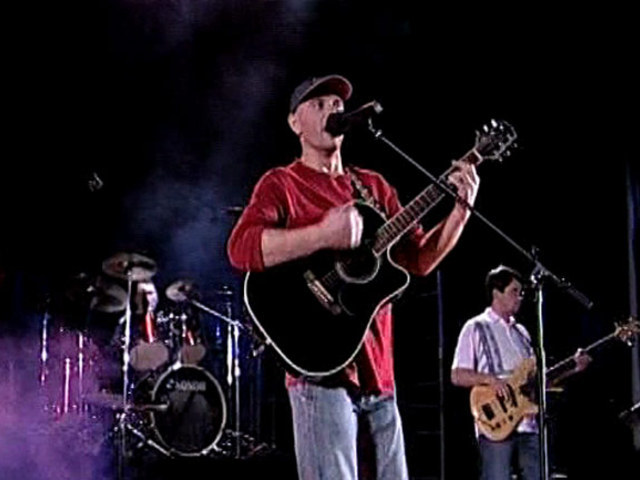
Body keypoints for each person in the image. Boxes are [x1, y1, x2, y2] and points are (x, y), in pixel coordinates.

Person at [227, 74, 480, 480]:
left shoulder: (372, 187)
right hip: (320, 371)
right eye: (319, 103)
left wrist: (460, 212)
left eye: (338, 104)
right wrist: (322, 234)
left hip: (379, 373)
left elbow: (419, 259)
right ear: (295, 122)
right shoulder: (282, 184)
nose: (333, 109)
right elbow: (242, 248)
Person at [450, 265, 591, 480]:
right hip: (496, 423)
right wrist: (491, 380)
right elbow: (457, 375)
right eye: (514, 291)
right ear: (496, 293)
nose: (520, 297)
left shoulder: (522, 333)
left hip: (528, 423)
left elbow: (537, 382)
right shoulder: (476, 327)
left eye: (521, 292)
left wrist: (572, 368)